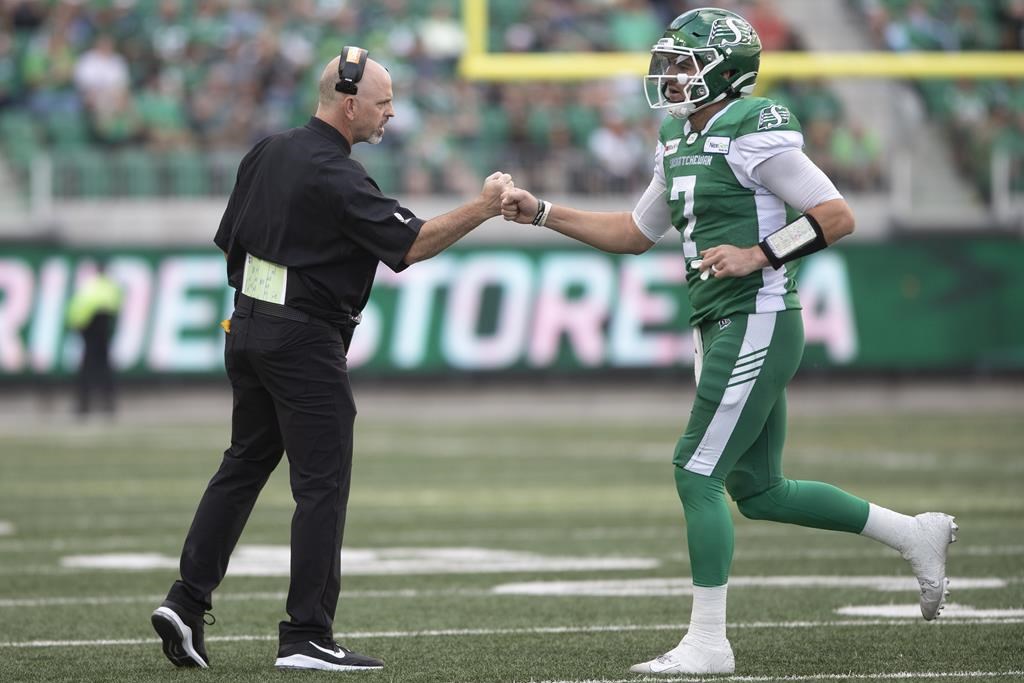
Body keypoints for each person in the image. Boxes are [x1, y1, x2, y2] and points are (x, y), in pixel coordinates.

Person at [500, 8, 957, 676]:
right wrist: (543, 212)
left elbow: (836, 215)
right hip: (719, 321)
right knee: (760, 489)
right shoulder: (678, 136)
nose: (671, 73)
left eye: (685, 61)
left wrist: (759, 253)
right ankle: (914, 533)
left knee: (695, 471)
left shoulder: (752, 129)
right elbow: (634, 232)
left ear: (725, 70)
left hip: (756, 316)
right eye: (671, 60)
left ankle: (709, 643)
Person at [151, 47, 513, 673]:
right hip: (304, 341)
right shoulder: (338, 175)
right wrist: (483, 207)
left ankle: (186, 600)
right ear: (350, 104)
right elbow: (411, 243)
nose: (391, 114)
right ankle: (306, 634)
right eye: (383, 103)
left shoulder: (266, 150)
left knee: (242, 465)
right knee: (322, 485)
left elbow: (229, 241)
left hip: (246, 325)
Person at [66, 260, 121, 417]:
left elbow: (76, 309)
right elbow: (115, 310)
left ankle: (84, 404)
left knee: (87, 367)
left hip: (88, 330)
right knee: (105, 368)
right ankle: (108, 403)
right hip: (102, 330)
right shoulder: (112, 287)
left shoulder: (88, 286)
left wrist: (76, 327)